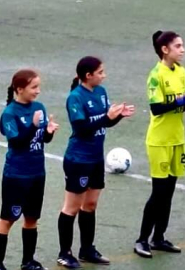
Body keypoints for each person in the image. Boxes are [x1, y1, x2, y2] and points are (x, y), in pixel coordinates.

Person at [134, 31, 185, 258]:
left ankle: (159, 237)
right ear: (165, 50)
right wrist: (183, 99)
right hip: (159, 141)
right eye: (178, 46)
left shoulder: (181, 71)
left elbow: (179, 107)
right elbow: (157, 108)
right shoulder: (156, 75)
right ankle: (142, 240)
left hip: (177, 139)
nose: (182, 49)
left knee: (169, 191)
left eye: (182, 45)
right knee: (159, 192)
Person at [58, 56, 134, 268]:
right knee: (71, 208)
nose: (104, 75)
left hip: (96, 159)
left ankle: (87, 249)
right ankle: (65, 253)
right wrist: (106, 117)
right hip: (78, 159)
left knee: (90, 205)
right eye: (100, 72)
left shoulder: (101, 92)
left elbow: (105, 122)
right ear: (88, 76)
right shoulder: (75, 97)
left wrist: (117, 116)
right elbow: (82, 128)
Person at [0, 69, 60, 270]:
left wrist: (48, 131)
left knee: (31, 218)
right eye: (34, 87)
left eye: (39, 86)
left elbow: (43, 139)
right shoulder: (10, 113)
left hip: (37, 172)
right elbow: (17, 142)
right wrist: (33, 125)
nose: (38, 91)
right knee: (8, 218)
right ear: (19, 89)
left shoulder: (39, 107)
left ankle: (28, 261)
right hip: (17, 175)